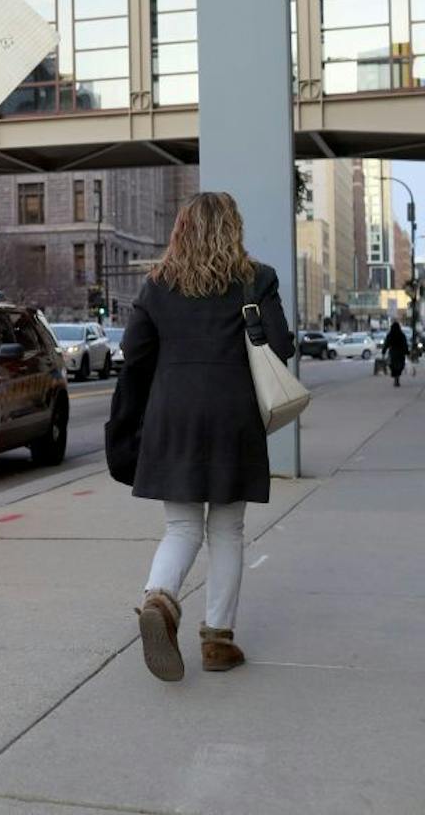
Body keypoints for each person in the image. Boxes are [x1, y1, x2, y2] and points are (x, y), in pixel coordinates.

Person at [106, 192, 294, 683]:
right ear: (234, 228)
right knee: (227, 530)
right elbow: (281, 345)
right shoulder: (257, 278)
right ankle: (217, 641)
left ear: (181, 229)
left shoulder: (158, 284)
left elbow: (134, 354)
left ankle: (160, 598)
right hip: (234, 416)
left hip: (174, 416)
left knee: (182, 527)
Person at [383, 321, 409, 387]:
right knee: (400, 366)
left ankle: (395, 378)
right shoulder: (402, 335)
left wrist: (384, 351)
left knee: (393, 365)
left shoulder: (390, 334)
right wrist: (407, 352)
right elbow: (405, 344)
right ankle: (397, 377)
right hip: (400, 353)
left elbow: (386, 343)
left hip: (393, 352)